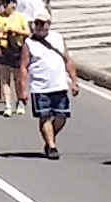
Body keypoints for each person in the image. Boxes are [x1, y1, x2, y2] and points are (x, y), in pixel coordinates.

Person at [24, 14, 76, 159]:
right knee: (44, 116)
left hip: (59, 84)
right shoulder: (29, 43)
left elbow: (68, 60)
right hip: (40, 87)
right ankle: (52, 145)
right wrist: (22, 89)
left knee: (61, 116)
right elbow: (23, 67)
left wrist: (74, 81)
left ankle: (49, 138)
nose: (40, 26)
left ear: (49, 24)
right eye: (37, 23)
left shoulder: (58, 38)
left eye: (43, 23)